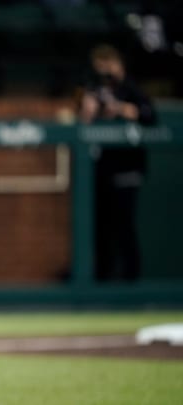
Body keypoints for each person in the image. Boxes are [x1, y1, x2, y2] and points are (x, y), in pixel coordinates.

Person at [78, 44, 156, 282]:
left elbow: (149, 116)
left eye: (108, 65)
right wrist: (89, 111)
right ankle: (102, 282)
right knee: (101, 230)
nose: (105, 73)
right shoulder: (95, 89)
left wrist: (121, 108)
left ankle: (130, 283)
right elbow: (81, 124)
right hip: (101, 169)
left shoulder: (131, 89)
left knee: (125, 227)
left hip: (127, 168)